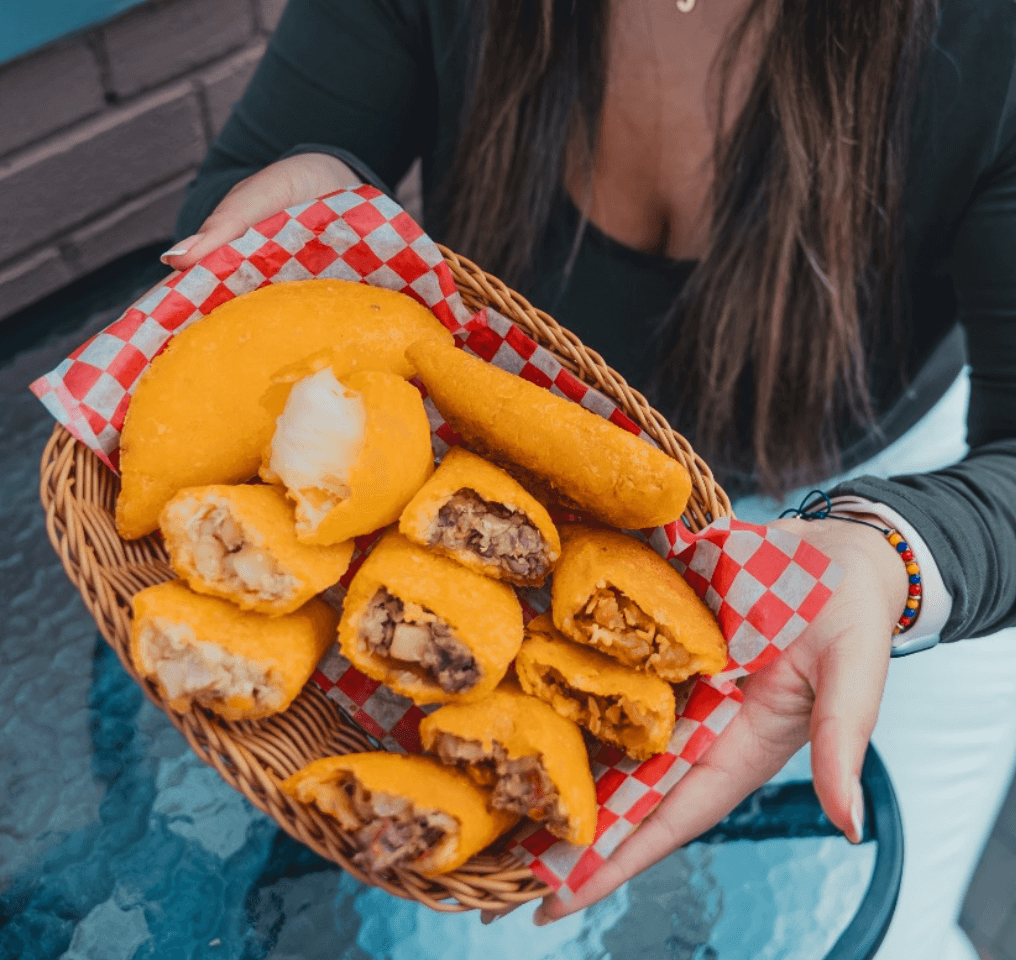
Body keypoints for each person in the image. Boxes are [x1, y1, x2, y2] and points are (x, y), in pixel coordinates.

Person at [164, 1, 1016, 956]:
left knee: (879, 935)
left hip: (891, 509)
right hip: (507, 495)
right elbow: (242, 197)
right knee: (464, 940)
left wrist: (892, 552)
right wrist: (301, 225)